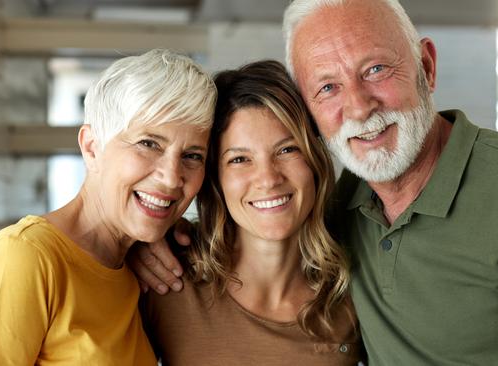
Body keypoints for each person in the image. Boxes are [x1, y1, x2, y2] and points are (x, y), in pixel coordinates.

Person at [132, 0, 498, 365]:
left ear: (426, 67)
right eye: (328, 87)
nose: (358, 108)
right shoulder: (347, 210)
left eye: (375, 69)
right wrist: (148, 235)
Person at [0, 49, 216, 365]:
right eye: (149, 144)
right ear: (92, 147)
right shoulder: (24, 256)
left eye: (193, 155)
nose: (171, 178)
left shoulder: (137, 264)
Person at [140, 60, 362, 365]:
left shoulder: (353, 291)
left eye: (287, 150)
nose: (269, 179)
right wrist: (137, 240)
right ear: (215, 178)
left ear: (315, 161)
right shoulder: (165, 279)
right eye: (240, 159)